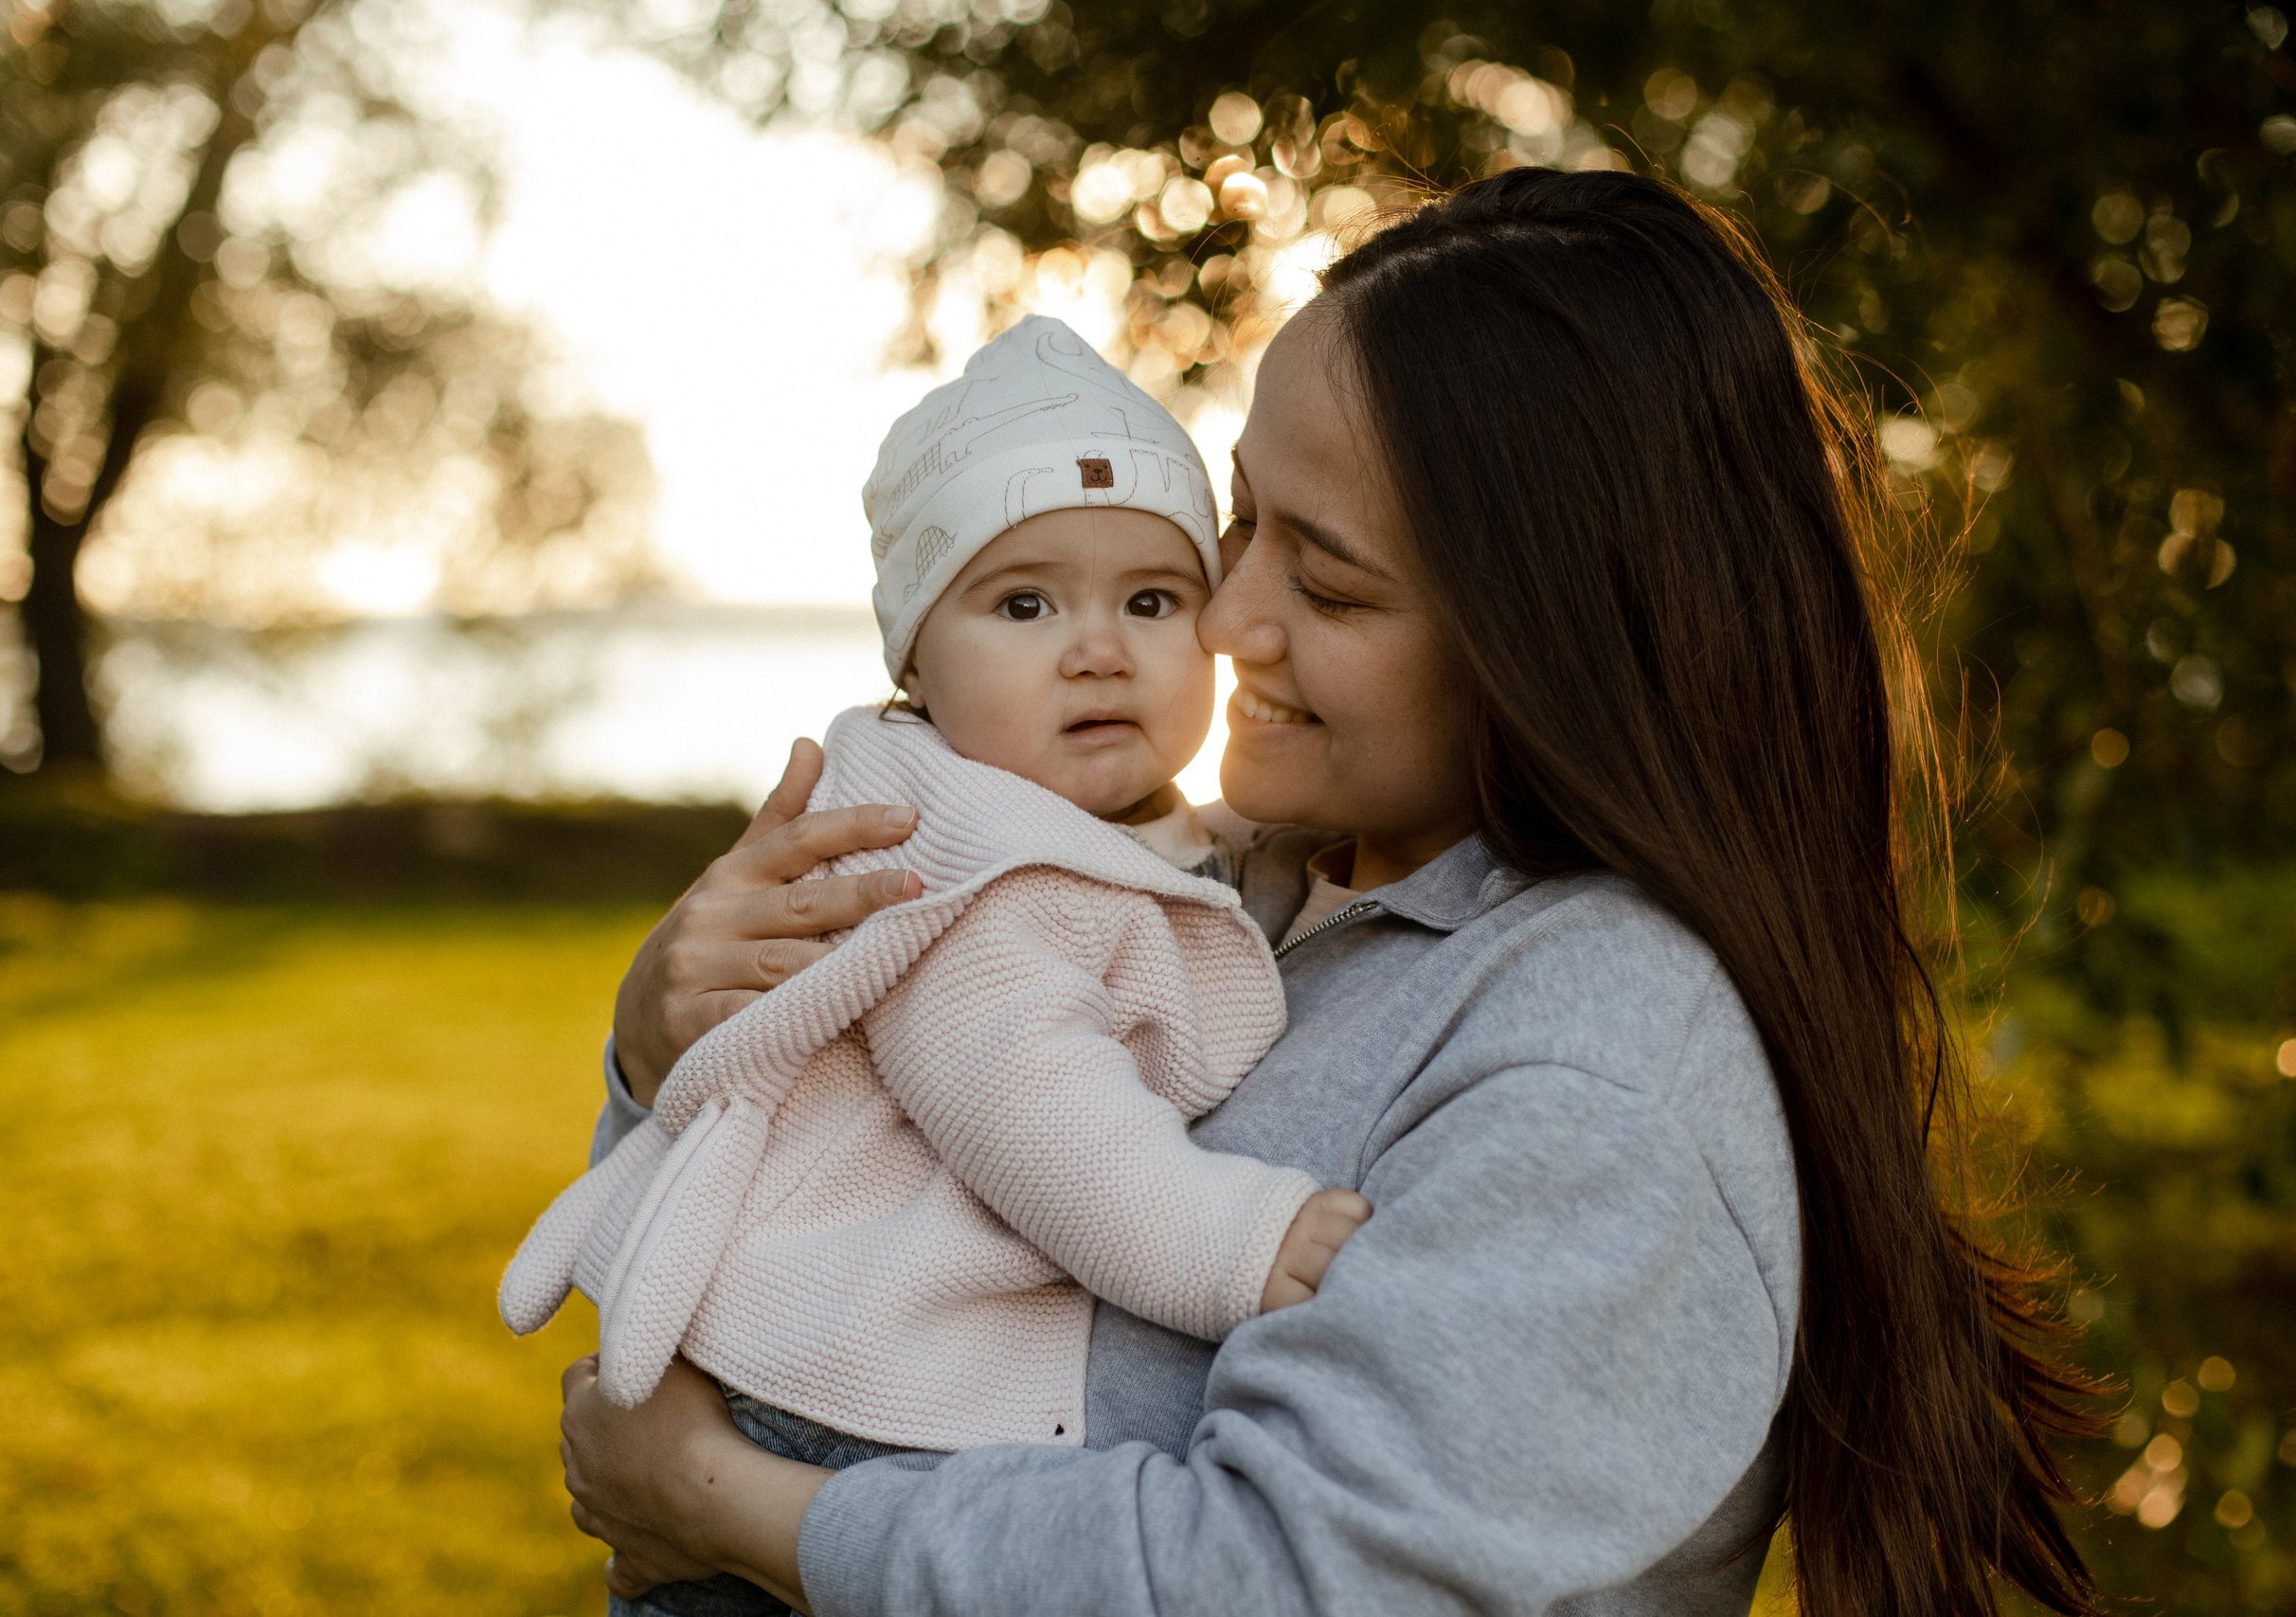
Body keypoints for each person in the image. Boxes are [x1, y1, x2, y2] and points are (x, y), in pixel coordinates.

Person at [556, 170, 2101, 1617]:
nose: (1222, 621)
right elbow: (850, 1168)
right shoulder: (1238, 882)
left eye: (1331, 580)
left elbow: (1276, 1582)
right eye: (1236, 525)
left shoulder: (1597, 1060)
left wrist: (737, 1510)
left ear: (1547, 642)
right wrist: (663, 1045)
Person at [505, 316, 1369, 1617]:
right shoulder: (957, 868)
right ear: (913, 655)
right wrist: (1240, 1241)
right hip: (830, 1419)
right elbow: (1039, 1115)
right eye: (1024, 604)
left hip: (857, 1406)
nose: (1097, 648)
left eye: (1152, 600)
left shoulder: (1109, 829)